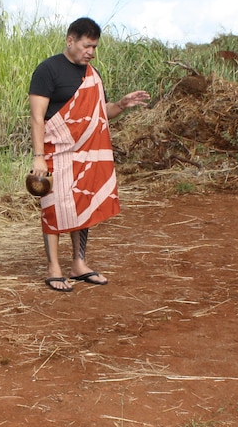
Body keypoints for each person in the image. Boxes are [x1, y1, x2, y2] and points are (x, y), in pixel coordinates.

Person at [28, 17, 150, 292]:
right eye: (86, 46)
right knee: (54, 208)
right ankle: (54, 268)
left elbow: (99, 113)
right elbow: (37, 118)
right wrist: (38, 156)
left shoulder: (92, 75)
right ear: (70, 41)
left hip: (85, 153)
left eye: (94, 47)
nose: (91, 52)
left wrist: (121, 104)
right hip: (55, 152)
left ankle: (78, 264)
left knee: (83, 203)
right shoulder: (48, 70)